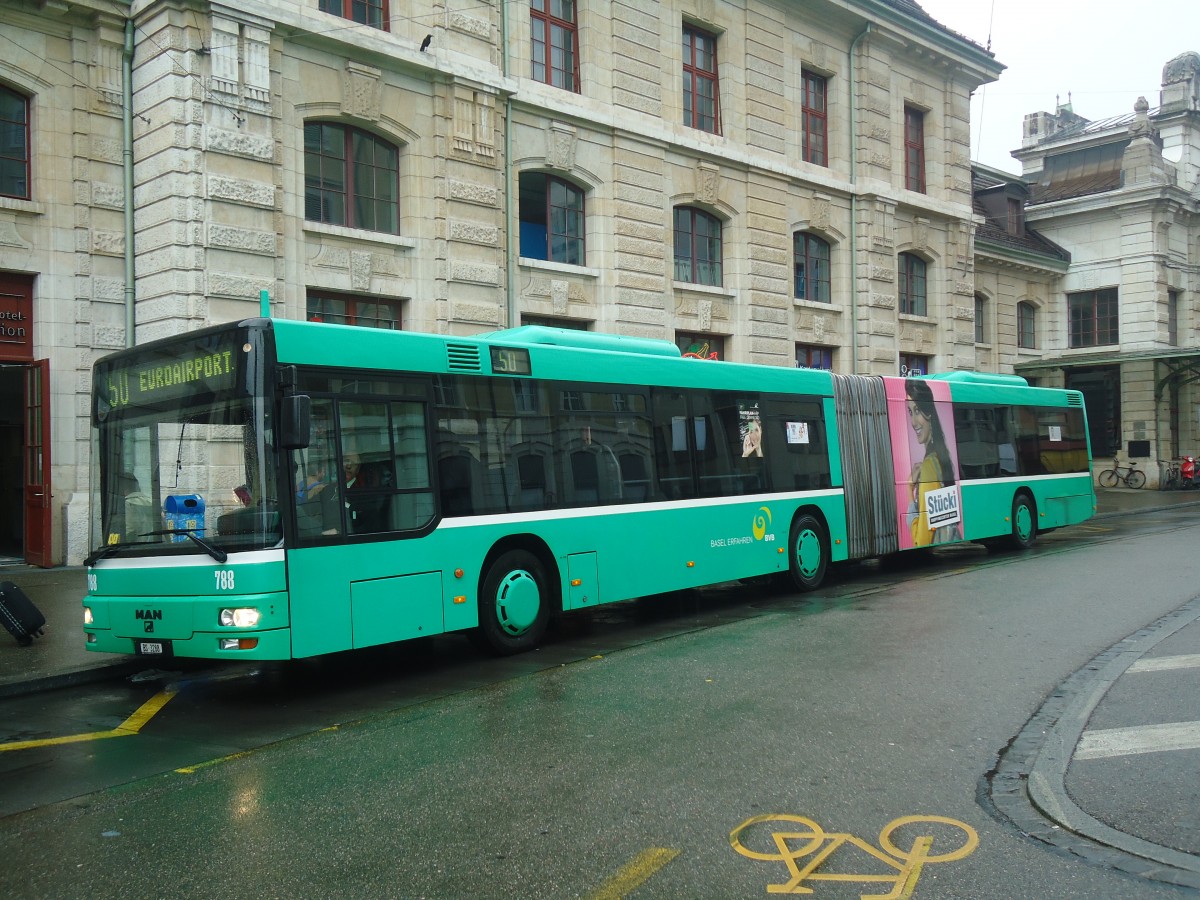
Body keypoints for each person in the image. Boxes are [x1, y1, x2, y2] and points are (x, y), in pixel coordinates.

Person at [905, 379, 959, 546]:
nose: (913, 422)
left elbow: (921, 541)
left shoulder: (929, 466)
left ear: (928, 412)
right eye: (910, 412)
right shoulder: (940, 458)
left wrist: (909, 489)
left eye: (917, 411)